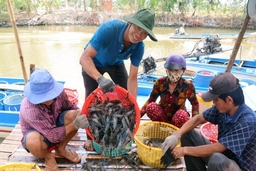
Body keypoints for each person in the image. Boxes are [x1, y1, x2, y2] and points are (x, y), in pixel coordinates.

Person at [79, 8, 157, 151]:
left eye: (144, 33)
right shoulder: (109, 29)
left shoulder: (139, 47)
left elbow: (132, 78)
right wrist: (100, 79)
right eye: (138, 28)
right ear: (130, 23)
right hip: (93, 62)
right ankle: (90, 137)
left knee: (126, 97)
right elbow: (84, 58)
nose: (139, 35)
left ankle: (123, 132)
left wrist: (133, 105)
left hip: (115, 63)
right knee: (90, 97)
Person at [161, 72, 256, 171]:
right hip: (224, 157)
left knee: (217, 160)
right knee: (187, 133)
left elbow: (218, 148)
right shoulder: (222, 109)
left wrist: (184, 150)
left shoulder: (247, 121)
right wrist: (177, 135)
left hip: (239, 167)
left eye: (215, 100)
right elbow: (198, 119)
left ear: (229, 100)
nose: (213, 103)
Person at [20, 69, 89, 171]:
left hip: (56, 127)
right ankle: (48, 156)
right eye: (44, 96)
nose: (50, 98)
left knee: (75, 115)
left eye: (51, 93)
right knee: (32, 140)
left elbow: (70, 106)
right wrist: (75, 125)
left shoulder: (60, 93)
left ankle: (61, 148)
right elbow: (51, 136)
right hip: (41, 136)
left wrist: (81, 114)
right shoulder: (29, 109)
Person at [140, 54, 199, 128]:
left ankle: (174, 130)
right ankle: (163, 128)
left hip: (178, 117)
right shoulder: (160, 82)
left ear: (183, 70)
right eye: (170, 70)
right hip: (162, 116)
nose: (173, 73)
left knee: (182, 115)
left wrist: (193, 123)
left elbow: (195, 104)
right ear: (166, 70)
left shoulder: (188, 86)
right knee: (151, 107)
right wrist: (138, 116)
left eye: (176, 70)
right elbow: (151, 100)